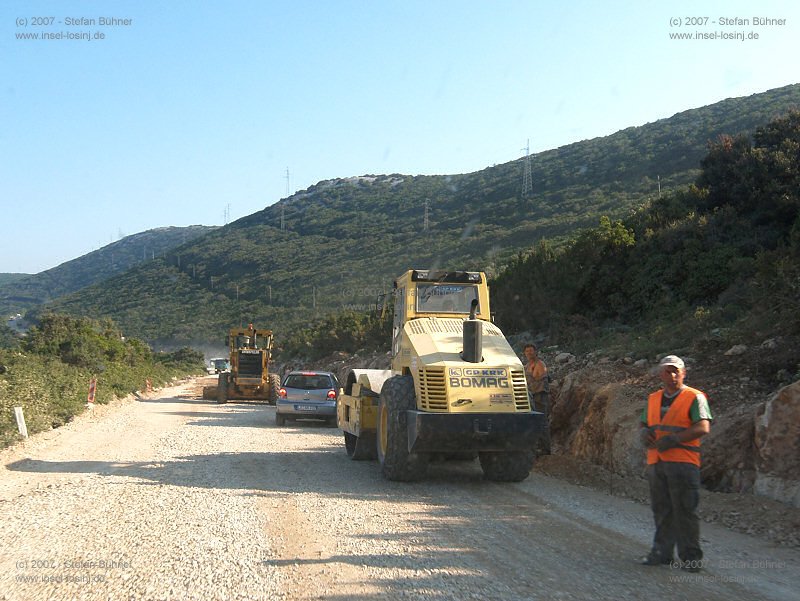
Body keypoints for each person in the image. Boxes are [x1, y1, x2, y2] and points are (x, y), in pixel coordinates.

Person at [640, 355, 712, 572]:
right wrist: (644, 433)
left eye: (675, 371)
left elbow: (703, 427)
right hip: (657, 461)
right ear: (661, 374)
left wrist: (675, 439)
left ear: (683, 373)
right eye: (667, 371)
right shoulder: (653, 398)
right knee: (661, 509)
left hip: (683, 463)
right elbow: (644, 423)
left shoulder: (694, 397)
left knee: (685, 510)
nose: (671, 375)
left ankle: (691, 558)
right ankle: (662, 553)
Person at [523, 344, 550, 453]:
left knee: (542, 422)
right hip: (531, 396)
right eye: (527, 351)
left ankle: (545, 449)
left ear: (536, 352)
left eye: (531, 351)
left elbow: (541, 378)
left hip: (539, 396)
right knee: (533, 423)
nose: (529, 353)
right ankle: (536, 447)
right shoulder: (528, 365)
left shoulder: (540, 364)